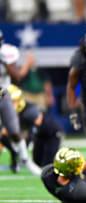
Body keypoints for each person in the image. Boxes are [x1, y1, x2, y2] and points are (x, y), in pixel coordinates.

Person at [0, 30, 41, 175]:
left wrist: (5, 62)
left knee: (15, 132)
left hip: (3, 96)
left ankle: (25, 159)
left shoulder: (6, 54)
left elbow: (16, 77)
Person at [7, 84, 63, 167]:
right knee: (37, 162)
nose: (11, 104)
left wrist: (22, 150)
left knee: (48, 165)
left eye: (13, 101)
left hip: (52, 134)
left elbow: (33, 131)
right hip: (39, 135)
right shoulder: (11, 112)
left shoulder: (29, 111)